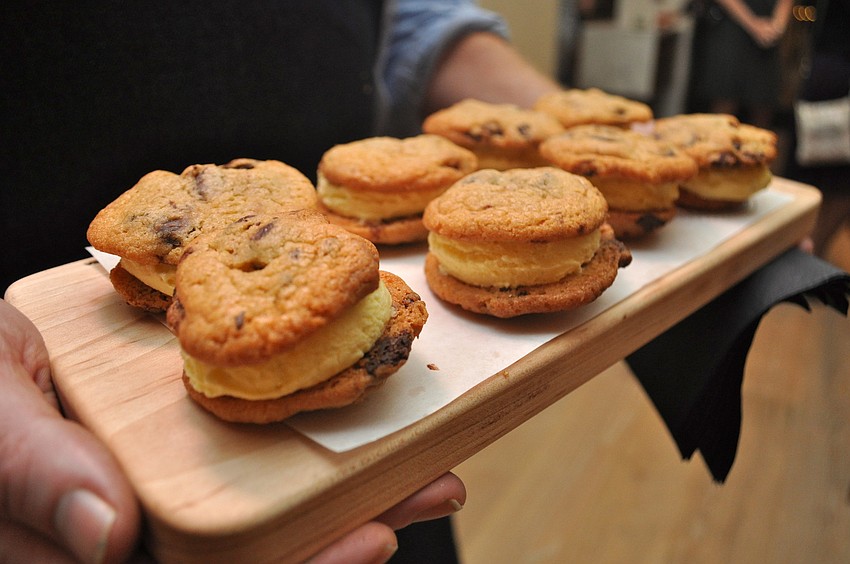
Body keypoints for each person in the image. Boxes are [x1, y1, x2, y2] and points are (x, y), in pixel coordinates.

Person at [0, 2, 561, 562]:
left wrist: (558, 118)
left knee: (403, 533)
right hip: (45, 347)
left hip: (383, 436)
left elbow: (410, 16)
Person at [784, 0, 850, 257]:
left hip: (826, 70)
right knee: (825, 175)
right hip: (833, 75)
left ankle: (807, 252)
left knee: (830, 178)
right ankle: (806, 252)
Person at [689, 0, 793, 128]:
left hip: (768, 30)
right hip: (731, 28)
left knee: (763, 104)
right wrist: (754, 25)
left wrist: (777, 26)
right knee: (724, 105)